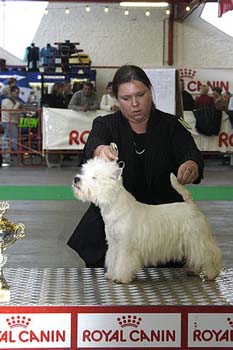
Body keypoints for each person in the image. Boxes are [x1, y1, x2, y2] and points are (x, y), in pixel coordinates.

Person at [67, 65, 204, 268]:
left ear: (150, 90)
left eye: (140, 95)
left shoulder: (172, 125)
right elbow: (93, 143)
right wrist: (99, 149)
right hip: (112, 225)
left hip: (161, 223)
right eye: (126, 98)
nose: (135, 104)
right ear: (116, 99)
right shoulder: (105, 124)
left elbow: (190, 153)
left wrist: (191, 164)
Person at [1, 86, 22, 164]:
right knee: (12, 138)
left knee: (8, 138)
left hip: (12, 121)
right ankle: (13, 154)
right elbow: (12, 111)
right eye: (17, 92)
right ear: (12, 92)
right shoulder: (7, 101)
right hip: (9, 122)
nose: (18, 94)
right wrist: (17, 104)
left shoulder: (13, 100)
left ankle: (7, 155)